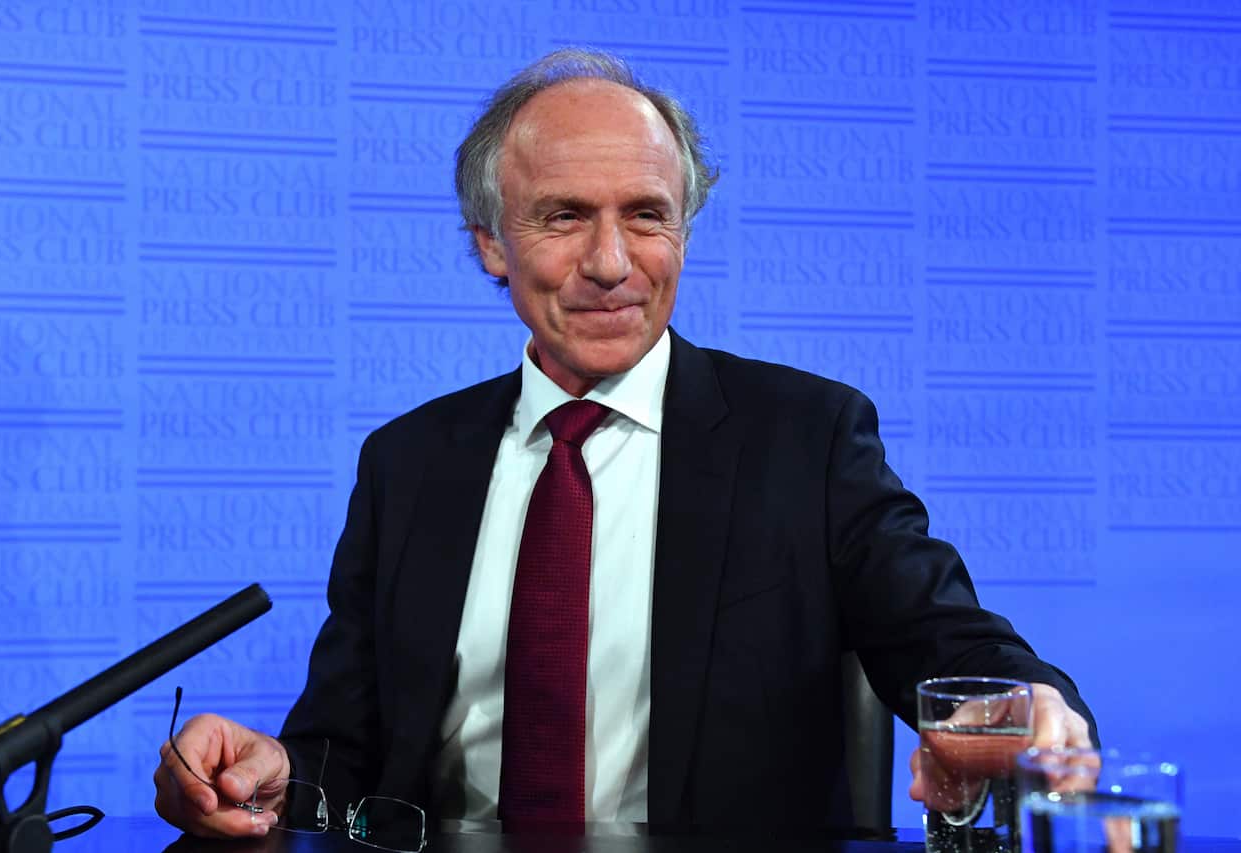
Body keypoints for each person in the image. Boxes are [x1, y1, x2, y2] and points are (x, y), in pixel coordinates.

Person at [153, 48, 1095, 838]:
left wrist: (1028, 707)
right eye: (564, 216)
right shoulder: (408, 463)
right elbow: (343, 758)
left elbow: (944, 637)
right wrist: (272, 775)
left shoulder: (806, 439)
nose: (612, 263)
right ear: (491, 243)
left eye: (646, 214)